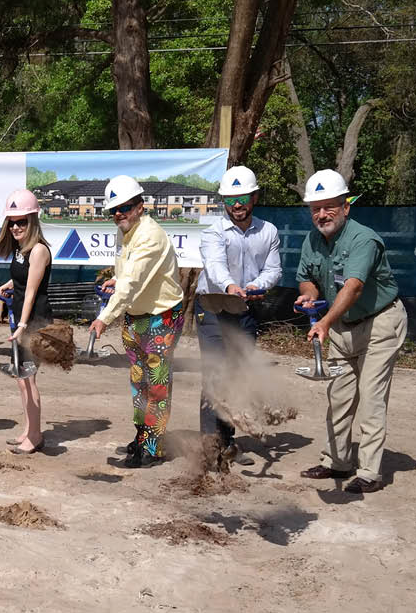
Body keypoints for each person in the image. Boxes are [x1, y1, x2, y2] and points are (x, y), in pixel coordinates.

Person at [296, 169, 407, 494]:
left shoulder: (364, 239)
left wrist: (324, 322)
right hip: (343, 326)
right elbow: (307, 277)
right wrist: (309, 295)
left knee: (371, 398)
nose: (321, 214)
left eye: (329, 206)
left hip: (379, 323)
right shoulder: (313, 239)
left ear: (346, 206)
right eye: (315, 207)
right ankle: (337, 461)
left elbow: (355, 287)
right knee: (339, 398)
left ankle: (370, 473)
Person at [88, 175, 185, 468]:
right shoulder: (125, 232)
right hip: (135, 318)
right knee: (138, 381)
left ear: (140, 206)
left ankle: (153, 449)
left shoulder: (150, 236)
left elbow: (131, 284)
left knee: (156, 384)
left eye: (126, 207)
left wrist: (104, 318)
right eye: (114, 210)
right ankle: (142, 435)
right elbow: (128, 275)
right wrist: (115, 280)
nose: (119, 214)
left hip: (161, 317)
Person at [195, 165, 281, 466]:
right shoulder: (213, 232)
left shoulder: (268, 232)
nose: (237, 205)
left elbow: (273, 269)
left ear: (254, 197)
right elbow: (215, 265)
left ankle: (228, 442)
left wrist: (258, 285)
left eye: (242, 197)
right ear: (224, 202)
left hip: (245, 308)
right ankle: (210, 447)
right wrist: (231, 285)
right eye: (230, 200)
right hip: (213, 306)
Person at [0, 189, 52, 454]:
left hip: (33, 321)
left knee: (28, 378)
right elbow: (21, 280)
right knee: (20, 378)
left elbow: (31, 292)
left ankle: (36, 435)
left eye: (21, 221)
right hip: (20, 318)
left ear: (33, 221)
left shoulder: (38, 251)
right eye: (12, 222)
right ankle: (28, 429)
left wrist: (23, 326)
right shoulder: (20, 249)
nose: (15, 227)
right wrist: (7, 284)